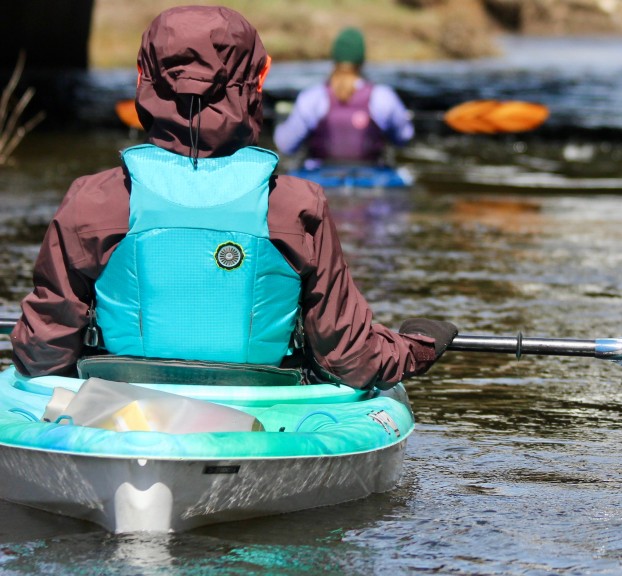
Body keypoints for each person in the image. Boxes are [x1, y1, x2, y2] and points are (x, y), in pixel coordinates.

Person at [9, 5, 456, 390]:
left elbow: (42, 355)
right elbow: (351, 359)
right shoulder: (296, 205)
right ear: (256, 84)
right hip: (259, 410)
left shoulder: (94, 199)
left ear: (143, 79)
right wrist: (416, 346)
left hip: (124, 412)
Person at [273, 26, 414, 167]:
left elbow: (286, 146)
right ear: (362, 61)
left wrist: (280, 123)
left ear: (334, 59)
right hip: (373, 183)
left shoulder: (311, 98)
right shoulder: (384, 97)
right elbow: (404, 137)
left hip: (319, 181)